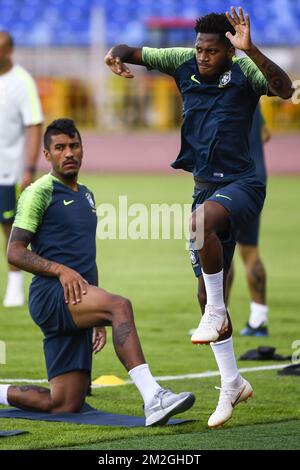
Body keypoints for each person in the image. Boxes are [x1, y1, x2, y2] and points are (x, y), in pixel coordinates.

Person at [104, 7, 293, 428]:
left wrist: (252, 49)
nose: (203, 56)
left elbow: (283, 89)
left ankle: (216, 315)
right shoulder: (182, 61)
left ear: (228, 50)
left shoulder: (245, 69)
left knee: (198, 226)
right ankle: (232, 383)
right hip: (202, 186)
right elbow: (134, 51)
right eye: (200, 49)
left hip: (244, 183)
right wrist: (115, 54)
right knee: (205, 295)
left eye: (212, 50)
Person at [0, 119, 195, 426]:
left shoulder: (87, 195)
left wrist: (98, 317)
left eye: (74, 146)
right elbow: (15, 251)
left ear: (82, 149)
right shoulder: (38, 192)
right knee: (120, 306)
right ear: (47, 154)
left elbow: (87, 258)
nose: (69, 153)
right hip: (51, 295)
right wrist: (63, 272)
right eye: (60, 147)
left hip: (78, 296)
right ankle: (153, 398)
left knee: (64, 404)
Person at [192, 104, 271, 337]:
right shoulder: (250, 94)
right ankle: (259, 318)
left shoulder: (216, 96)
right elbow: (265, 133)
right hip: (255, 180)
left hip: (228, 181)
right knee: (250, 251)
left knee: (215, 245)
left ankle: (215, 315)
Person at [0, 31, 43, 307]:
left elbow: (34, 124)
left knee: (9, 225)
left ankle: (15, 282)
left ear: (9, 50)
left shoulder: (22, 81)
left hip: (8, 169)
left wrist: (29, 167)